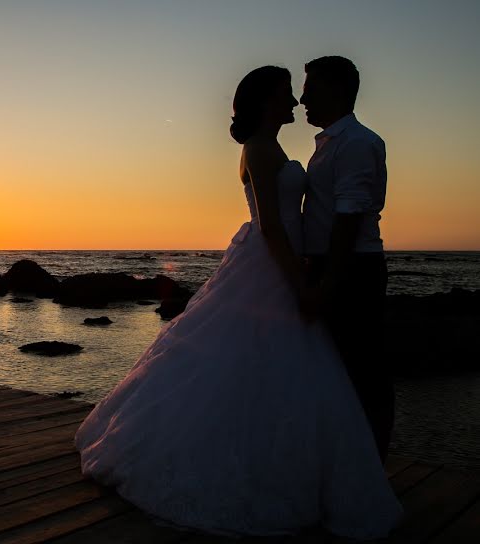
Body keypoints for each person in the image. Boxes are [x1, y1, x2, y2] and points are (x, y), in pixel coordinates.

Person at [73, 65, 404, 539]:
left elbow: (333, 211)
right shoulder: (261, 148)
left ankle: (307, 467)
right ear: (267, 101)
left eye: (301, 93)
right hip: (274, 266)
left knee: (281, 371)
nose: (296, 102)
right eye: (289, 95)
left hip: (289, 262)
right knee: (258, 366)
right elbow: (272, 225)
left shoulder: (296, 145)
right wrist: (302, 285)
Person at [298, 55, 393, 463]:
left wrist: (328, 283)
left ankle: (370, 466)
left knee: (362, 370)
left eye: (311, 89)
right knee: (338, 369)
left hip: (350, 268)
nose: (302, 98)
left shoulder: (355, 143)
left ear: (337, 91)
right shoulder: (331, 142)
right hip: (333, 264)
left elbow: (349, 216)